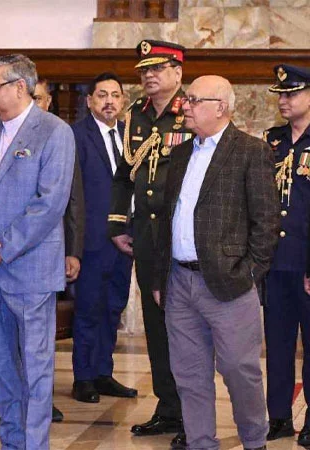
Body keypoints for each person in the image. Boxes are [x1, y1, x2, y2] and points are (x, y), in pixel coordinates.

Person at [152, 74, 278, 450]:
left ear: (220, 107)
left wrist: (249, 272)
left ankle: (254, 440)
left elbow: (266, 221)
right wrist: (160, 277)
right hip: (179, 281)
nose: (185, 106)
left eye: (193, 100)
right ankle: (201, 443)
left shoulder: (250, 151)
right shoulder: (179, 154)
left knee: (239, 370)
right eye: (186, 100)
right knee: (189, 374)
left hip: (229, 283)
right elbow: (167, 218)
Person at [0, 54, 75, 450]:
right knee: (3, 369)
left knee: (36, 370)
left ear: (19, 87)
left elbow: (50, 202)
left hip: (30, 270)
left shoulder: (54, 132)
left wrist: (2, 248)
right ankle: (12, 443)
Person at [107, 39, 189, 447]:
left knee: (186, 330)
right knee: (156, 328)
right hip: (147, 238)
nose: (149, 76)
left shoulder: (192, 111)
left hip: (182, 237)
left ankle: (192, 413)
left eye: (157, 68)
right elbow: (125, 176)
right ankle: (168, 408)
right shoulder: (135, 116)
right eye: (144, 70)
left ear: (178, 72)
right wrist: (118, 224)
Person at [70, 72, 136, 403]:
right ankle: (83, 378)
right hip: (92, 242)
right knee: (88, 309)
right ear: (89, 101)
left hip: (125, 242)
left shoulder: (130, 137)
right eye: (102, 95)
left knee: (113, 308)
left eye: (115, 95)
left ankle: (103, 373)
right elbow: (73, 194)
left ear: (123, 101)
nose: (109, 101)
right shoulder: (75, 136)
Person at [262, 64, 310, 446]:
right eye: (280, 94)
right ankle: (277, 416)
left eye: (291, 93)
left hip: (307, 264)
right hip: (275, 263)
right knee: (277, 344)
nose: (283, 100)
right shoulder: (272, 141)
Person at [33, 78, 84, 423]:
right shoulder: (0, 135)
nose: (33, 104)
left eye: (38, 98)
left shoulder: (60, 136)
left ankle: (42, 400)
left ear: (49, 101)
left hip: (50, 253)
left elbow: (73, 199)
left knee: (43, 336)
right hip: (9, 255)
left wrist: (73, 250)